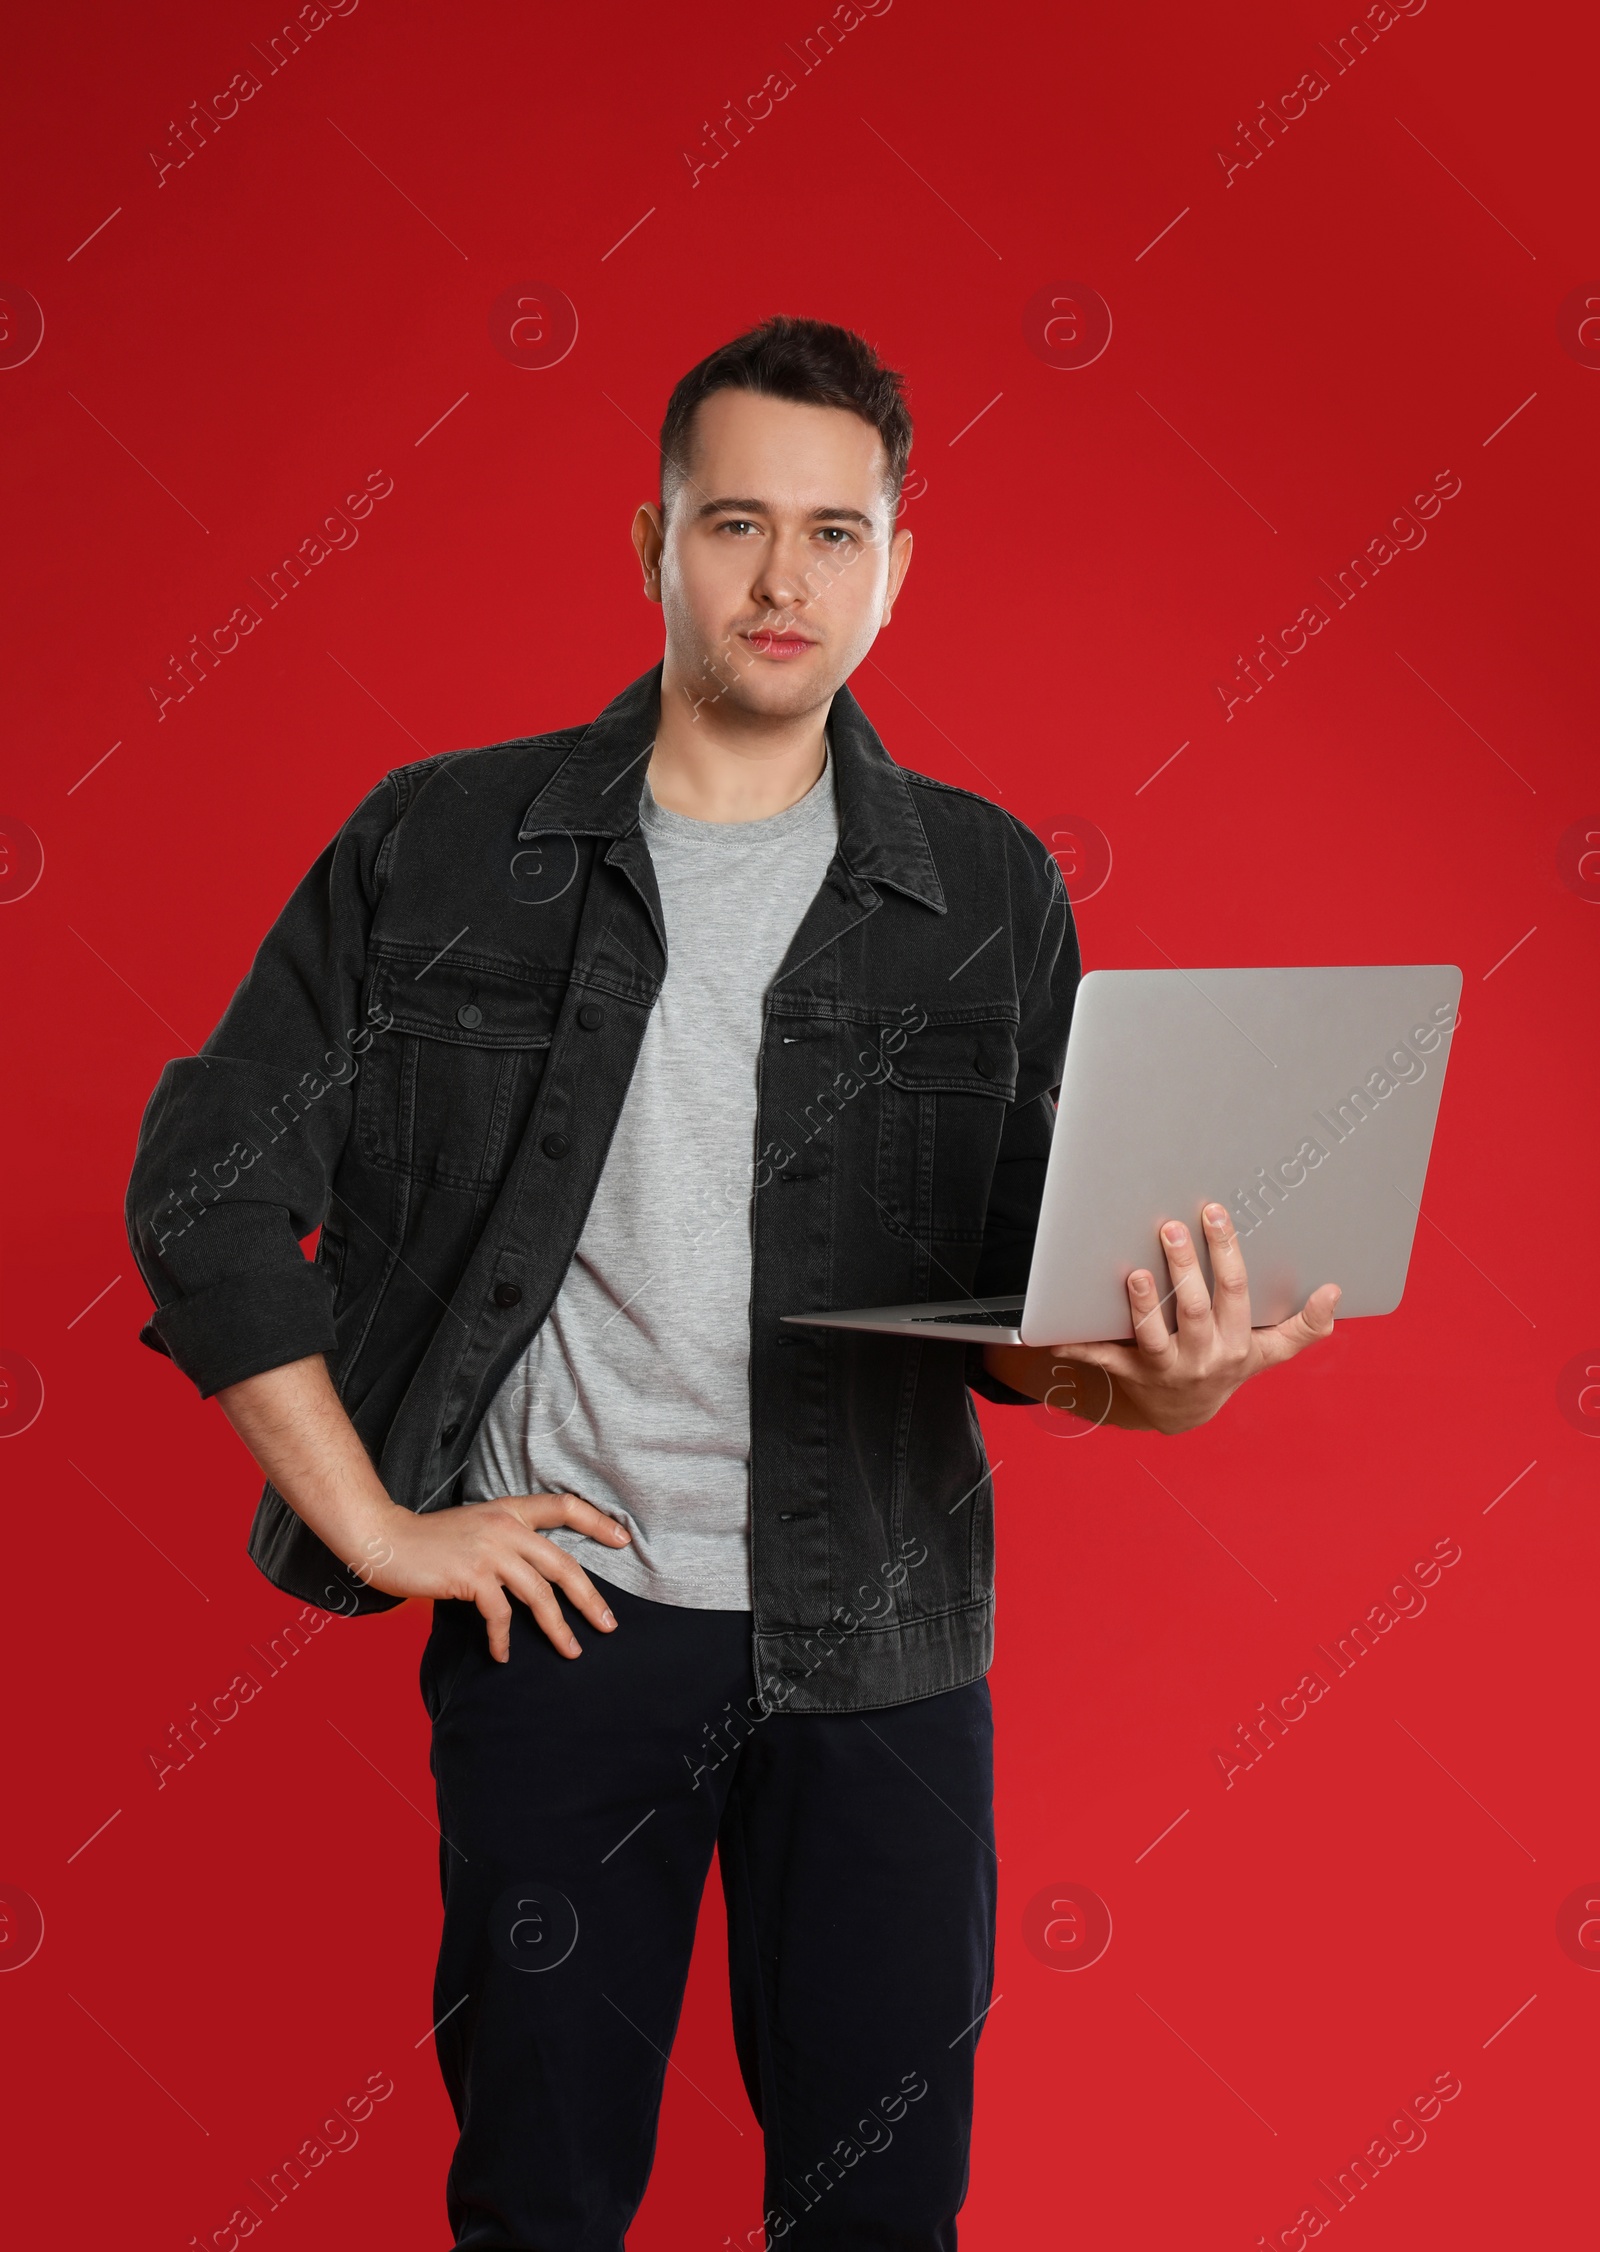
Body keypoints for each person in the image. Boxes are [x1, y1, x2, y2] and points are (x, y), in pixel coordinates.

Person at [124, 316, 1340, 2250]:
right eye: (738, 524)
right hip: (570, 1629)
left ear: (895, 564)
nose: (787, 582)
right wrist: (368, 1518)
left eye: (837, 533)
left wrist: (1174, 1380)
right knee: (541, 2201)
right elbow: (207, 1179)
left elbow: (1024, 1331)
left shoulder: (993, 887)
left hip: (886, 1653)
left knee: (880, 2220)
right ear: (653, 539)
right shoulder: (442, 845)